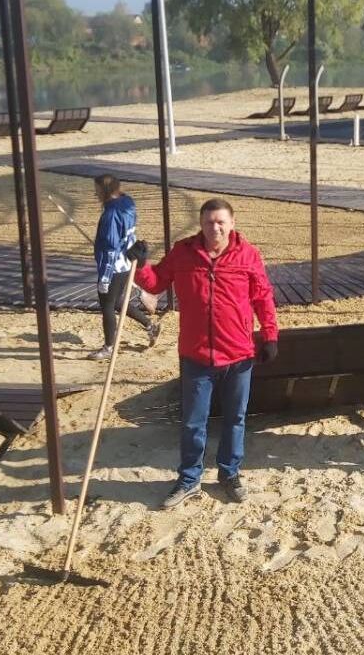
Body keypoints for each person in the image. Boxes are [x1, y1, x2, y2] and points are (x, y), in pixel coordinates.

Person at [128, 198, 279, 508]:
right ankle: (189, 478)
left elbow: (263, 296)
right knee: (193, 421)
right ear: (201, 224)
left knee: (235, 418)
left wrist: (270, 334)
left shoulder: (248, 255)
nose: (215, 227)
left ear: (232, 223)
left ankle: (229, 473)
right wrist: (141, 266)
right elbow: (156, 283)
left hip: (238, 353)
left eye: (221, 221)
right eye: (209, 222)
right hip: (196, 354)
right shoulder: (184, 252)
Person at [89, 173, 160, 361]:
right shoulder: (127, 201)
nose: (95, 194)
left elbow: (111, 248)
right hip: (128, 259)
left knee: (107, 305)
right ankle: (150, 325)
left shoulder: (110, 215)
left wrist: (105, 276)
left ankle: (109, 347)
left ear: (104, 191)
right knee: (118, 301)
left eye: (97, 190)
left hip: (115, 265)